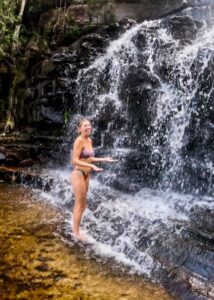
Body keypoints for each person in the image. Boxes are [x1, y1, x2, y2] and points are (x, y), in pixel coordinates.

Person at [70, 118, 118, 240]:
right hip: (79, 173)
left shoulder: (89, 140)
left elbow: (90, 158)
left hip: (86, 175)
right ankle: (76, 234)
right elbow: (74, 160)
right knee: (81, 205)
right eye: (85, 125)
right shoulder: (79, 141)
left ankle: (75, 229)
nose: (88, 127)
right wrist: (91, 166)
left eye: (89, 125)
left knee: (80, 204)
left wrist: (104, 159)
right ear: (79, 129)